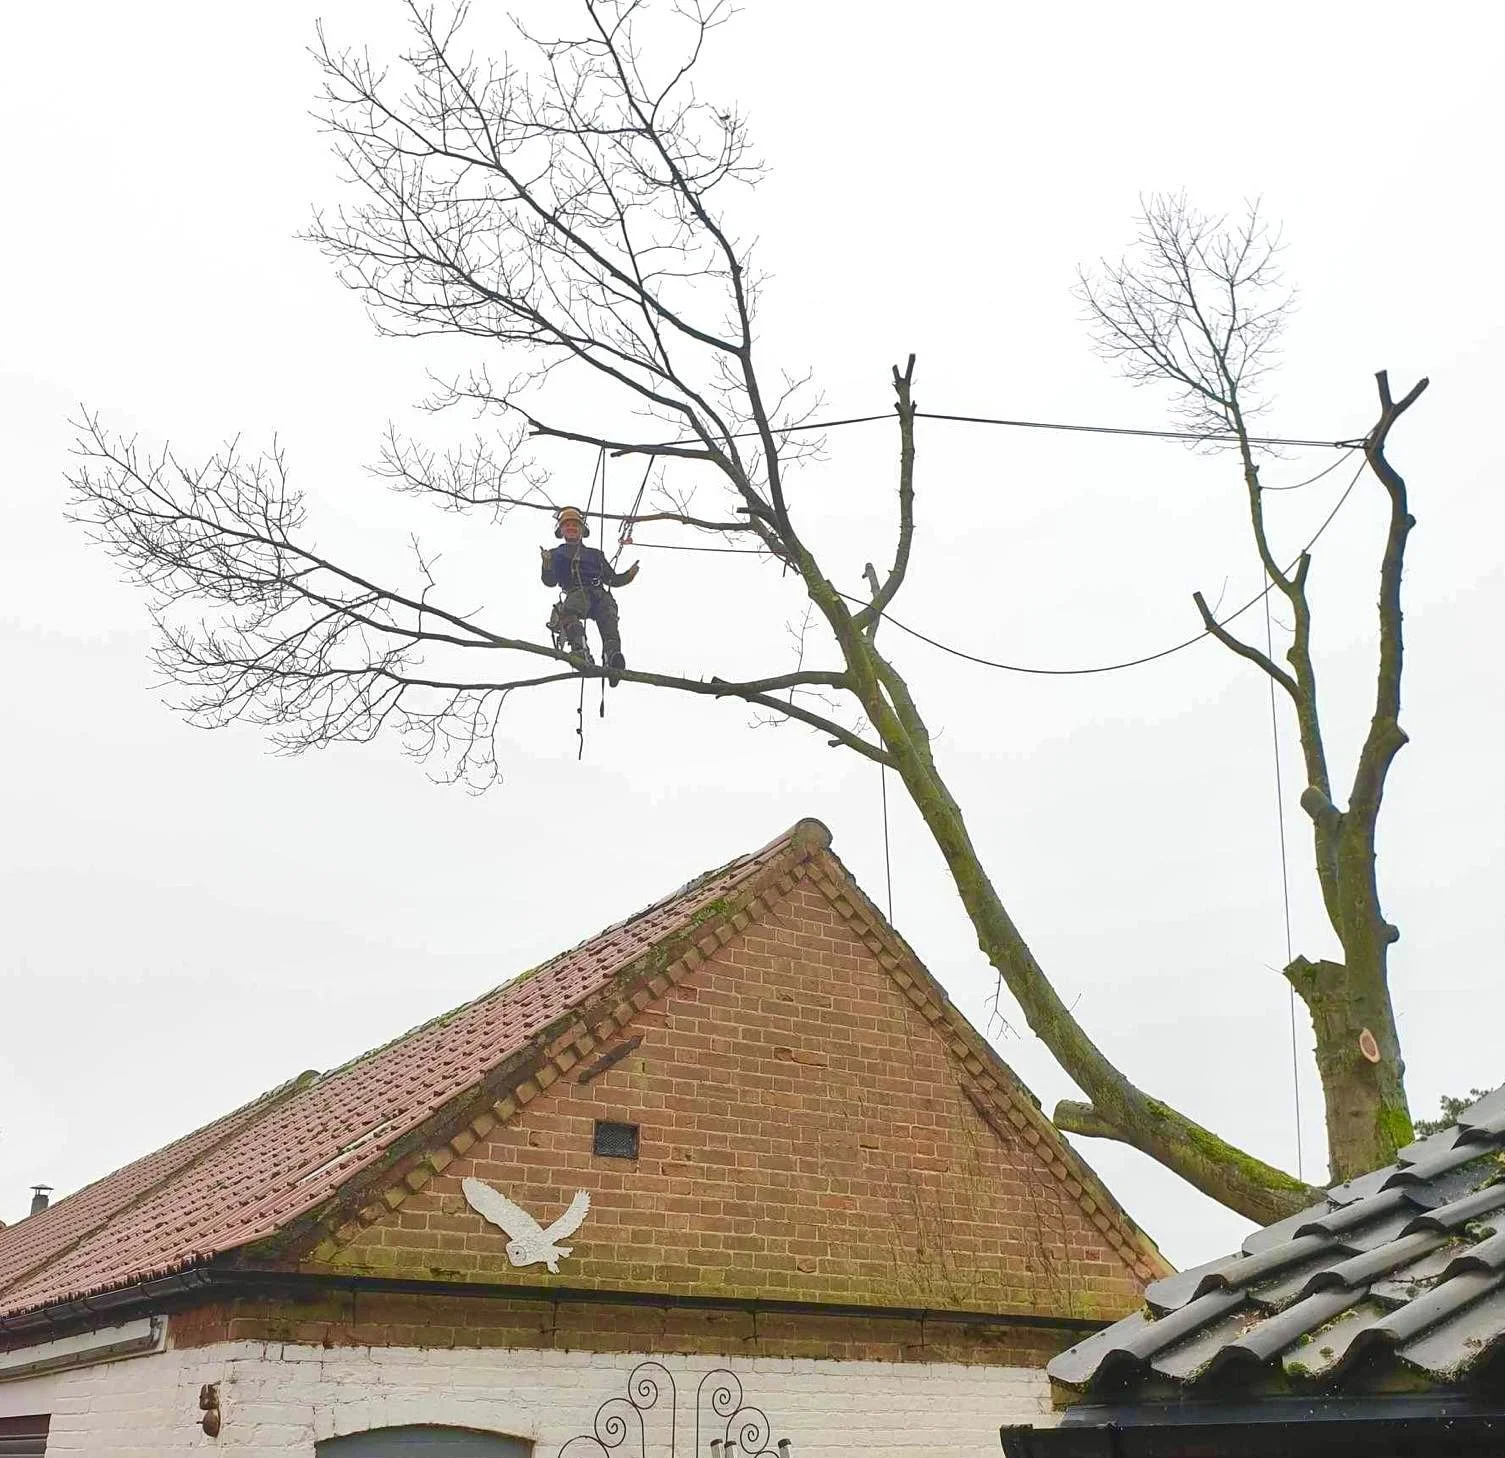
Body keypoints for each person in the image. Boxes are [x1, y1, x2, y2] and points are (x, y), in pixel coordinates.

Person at [540, 506, 640, 685]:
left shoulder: (595, 555)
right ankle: (580, 650)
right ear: (561, 530)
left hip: (599, 594)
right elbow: (550, 582)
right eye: (567, 525)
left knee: (609, 618)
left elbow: (612, 580)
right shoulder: (556, 554)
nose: (571, 528)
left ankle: (613, 657)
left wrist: (629, 575)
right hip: (576, 594)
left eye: (574, 525)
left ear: (581, 530)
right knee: (569, 613)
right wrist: (547, 565)